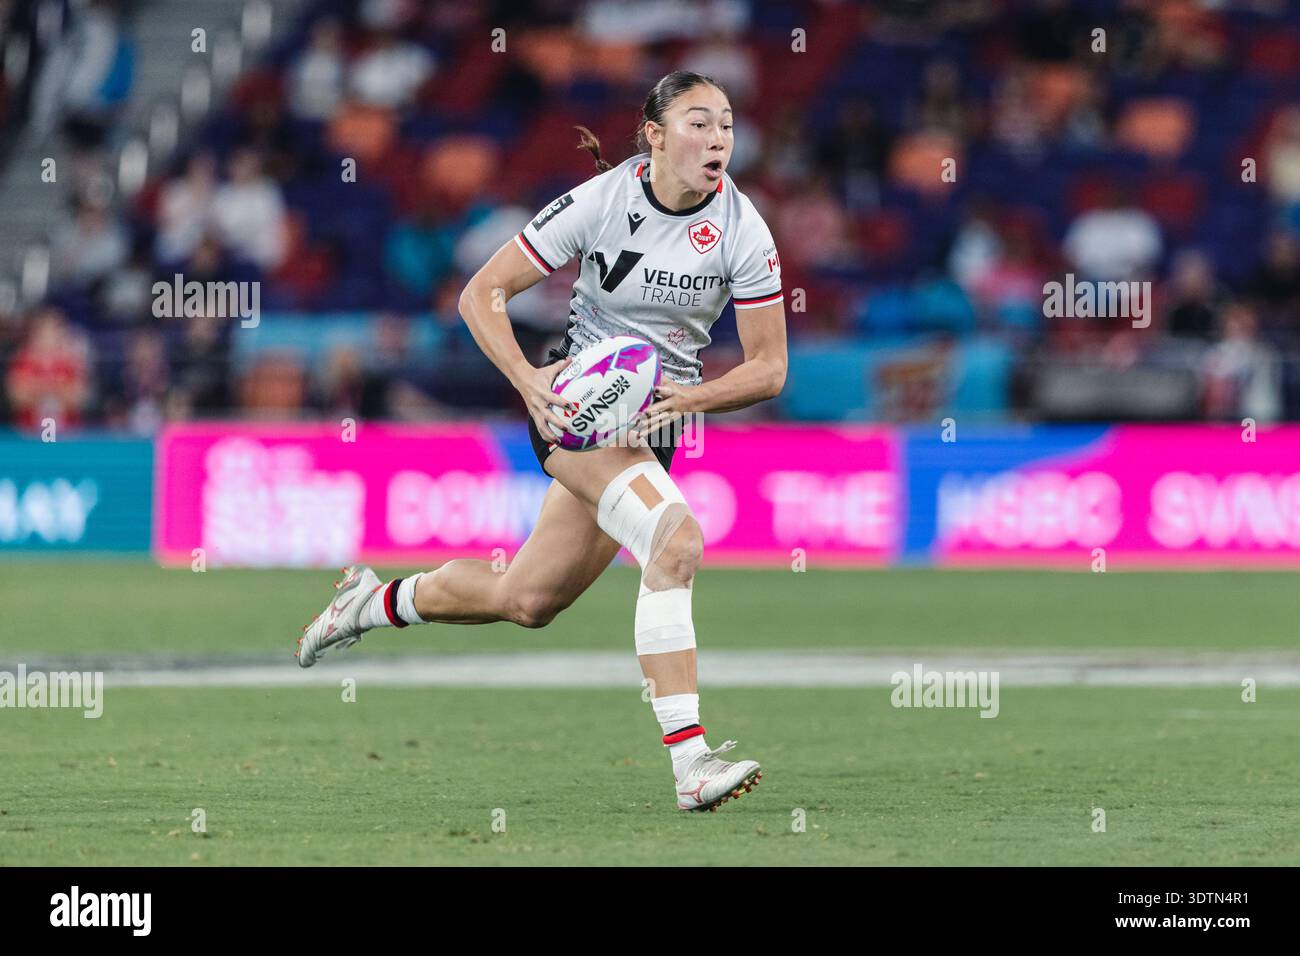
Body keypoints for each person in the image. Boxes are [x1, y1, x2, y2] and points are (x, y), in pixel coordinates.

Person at [296, 71, 787, 813]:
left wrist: (688, 401)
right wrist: (529, 381)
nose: (718, 137)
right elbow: (480, 293)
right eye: (697, 122)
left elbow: (769, 368)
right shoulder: (603, 201)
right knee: (677, 542)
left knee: (525, 598)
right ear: (654, 135)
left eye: (724, 123)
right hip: (576, 414)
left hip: (654, 427)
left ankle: (371, 602)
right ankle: (690, 762)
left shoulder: (743, 229)